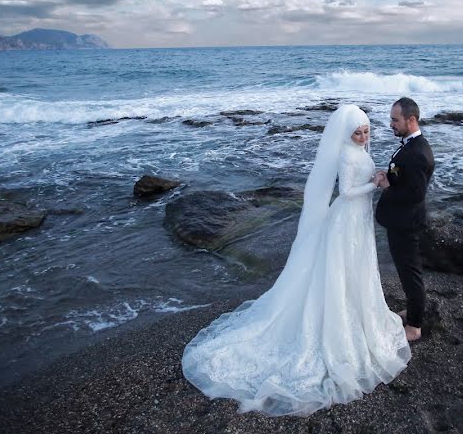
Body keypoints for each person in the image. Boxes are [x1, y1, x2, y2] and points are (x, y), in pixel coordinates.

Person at [181, 105, 410, 417]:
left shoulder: (360, 149)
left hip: (359, 221)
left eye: (366, 131)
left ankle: (358, 312)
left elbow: (362, 178)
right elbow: (345, 192)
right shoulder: (345, 154)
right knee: (339, 271)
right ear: (345, 133)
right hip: (345, 220)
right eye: (357, 132)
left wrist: (376, 176)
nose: (362, 136)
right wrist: (376, 184)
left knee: (357, 269)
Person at [375, 97, 435, 343]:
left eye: (394, 119)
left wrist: (388, 186)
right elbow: (405, 178)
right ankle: (412, 312)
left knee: (410, 274)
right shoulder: (410, 145)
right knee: (405, 271)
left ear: (411, 120)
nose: (390, 123)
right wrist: (388, 175)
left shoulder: (418, 153)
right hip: (401, 221)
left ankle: (415, 327)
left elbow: (415, 194)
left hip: (406, 224)